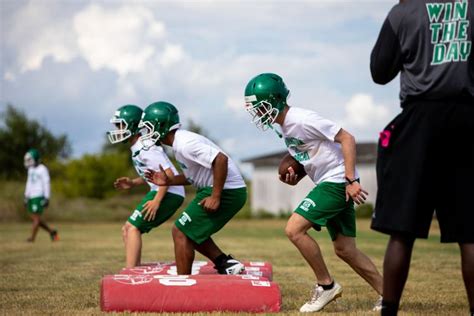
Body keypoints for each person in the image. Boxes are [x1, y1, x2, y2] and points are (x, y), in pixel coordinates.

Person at [244, 73, 383, 312]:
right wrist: (296, 177)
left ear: (275, 100)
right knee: (345, 250)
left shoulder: (302, 119)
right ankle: (389, 295)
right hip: (330, 181)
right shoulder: (285, 127)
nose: (257, 113)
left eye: (260, 107)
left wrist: (351, 179)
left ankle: (326, 286)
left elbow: (347, 138)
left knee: (294, 229)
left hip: (337, 181)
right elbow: (314, 156)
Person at [370, 1, 474, 315]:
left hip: (420, 121)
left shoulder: (404, 11)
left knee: (402, 230)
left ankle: (389, 310)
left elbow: (379, 71)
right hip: (468, 119)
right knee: (471, 232)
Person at [140, 101, 247, 275]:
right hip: (224, 188)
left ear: (161, 125)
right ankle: (225, 263)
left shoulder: (184, 144)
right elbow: (194, 177)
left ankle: (183, 284)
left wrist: (216, 196)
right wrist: (168, 181)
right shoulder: (179, 143)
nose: (146, 133)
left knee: (180, 231)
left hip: (227, 190)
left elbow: (221, 160)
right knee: (191, 230)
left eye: (148, 127)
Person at [107, 104, 185, 268]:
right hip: (164, 191)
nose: (118, 129)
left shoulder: (146, 147)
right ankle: (132, 267)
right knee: (127, 229)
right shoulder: (138, 146)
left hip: (169, 193)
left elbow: (168, 175)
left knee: (133, 228)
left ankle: (130, 272)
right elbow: (154, 174)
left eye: (120, 125)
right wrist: (133, 183)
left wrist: (157, 200)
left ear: (133, 124)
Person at [23, 149, 58, 242]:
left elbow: (46, 183)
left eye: (29, 160)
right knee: (35, 218)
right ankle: (52, 232)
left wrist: (47, 197)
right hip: (31, 196)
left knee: (36, 219)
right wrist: (26, 196)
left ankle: (32, 238)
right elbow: (29, 183)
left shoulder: (42, 169)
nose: (27, 162)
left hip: (39, 196)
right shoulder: (30, 170)